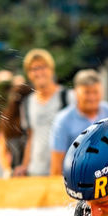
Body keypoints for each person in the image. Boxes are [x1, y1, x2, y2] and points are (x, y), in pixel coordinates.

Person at [49, 69, 108, 175]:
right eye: (87, 92)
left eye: (95, 92)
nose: (92, 97)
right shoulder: (62, 120)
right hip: (75, 180)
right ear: (75, 93)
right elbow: (56, 166)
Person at [20, 48, 69, 177]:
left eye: (43, 67)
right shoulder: (27, 103)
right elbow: (30, 137)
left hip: (63, 171)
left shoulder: (67, 97)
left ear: (51, 70)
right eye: (33, 69)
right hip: (35, 171)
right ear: (29, 74)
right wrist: (25, 166)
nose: (39, 72)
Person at [0, 80, 32, 178]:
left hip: (13, 170)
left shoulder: (5, 118)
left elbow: (2, 149)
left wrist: (8, 170)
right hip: (30, 170)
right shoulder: (30, 117)